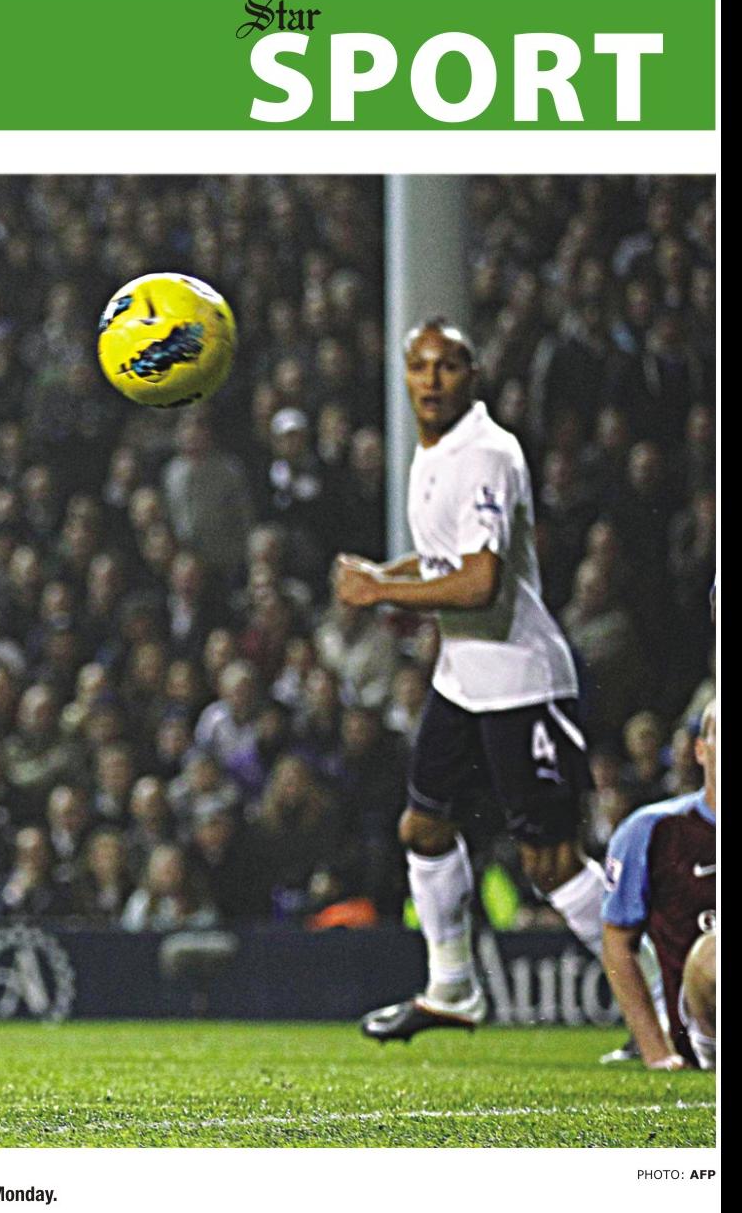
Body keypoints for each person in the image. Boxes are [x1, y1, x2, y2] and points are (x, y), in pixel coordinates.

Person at [335, 320, 601, 1042]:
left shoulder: (485, 454)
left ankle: (678, 1000)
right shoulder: (433, 452)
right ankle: (450, 988)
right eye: (419, 366)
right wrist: (381, 573)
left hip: (521, 681)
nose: (431, 380)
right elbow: (442, 561)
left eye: (447, 366)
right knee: (422, 828)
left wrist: (380, 594)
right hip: (462, 680)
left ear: (472, 375)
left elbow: (479, 583)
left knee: (553, 865)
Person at [600, 700, 716, 1069]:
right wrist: (656, 1051)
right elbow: (617, 941)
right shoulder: (652, 830)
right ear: (701, 750)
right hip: (698, 1018)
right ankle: (705, 1049)